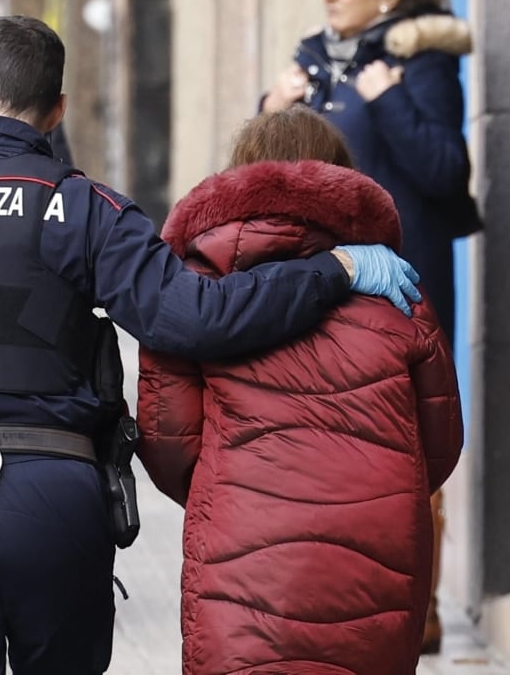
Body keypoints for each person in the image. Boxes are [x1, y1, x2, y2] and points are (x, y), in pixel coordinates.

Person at [0, 16, 422, 675]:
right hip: (54, 500)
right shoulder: (86, 209)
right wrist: (336, 271)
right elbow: (198, 318)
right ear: (58, 111)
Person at [137, 107, 463, 675]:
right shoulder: (398, 287)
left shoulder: (196, 290)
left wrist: (229, 491)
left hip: (240, 559)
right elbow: (440, 442)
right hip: (376, 566)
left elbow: (166, 440)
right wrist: (378, 490)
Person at [261, 0, 476, 652]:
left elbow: (446, 170)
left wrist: (389, 100)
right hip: (321, 288)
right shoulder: (312, 63)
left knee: (409, 445)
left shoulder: (421, 60)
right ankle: (340, 603)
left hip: (401, 289)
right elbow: (272, 180)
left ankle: (419, 612)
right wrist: (270, 112)